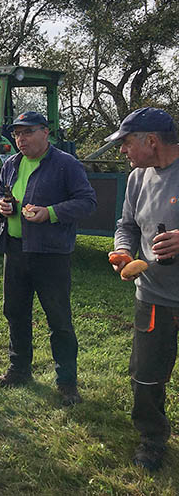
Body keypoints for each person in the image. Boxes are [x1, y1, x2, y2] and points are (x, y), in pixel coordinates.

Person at [0, 111, 96, 406]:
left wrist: (49, 213)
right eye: (17, 134)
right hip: (15, 249)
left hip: (50, 254)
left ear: (45, 132)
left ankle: (66, 383)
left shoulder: (66, 165)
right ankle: (18, 369)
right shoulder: (11, 164)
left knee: (58, 319)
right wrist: (0, 206)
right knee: (15, 311)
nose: (20, 139)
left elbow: (88, 202)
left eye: (27, 132)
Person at [107, 107, 179, 471]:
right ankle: (151, 439)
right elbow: (127, 225)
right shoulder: (137, 178)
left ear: (151, 141)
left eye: (126, 143)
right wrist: (123, 249)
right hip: (153, 294)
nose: (123, 151)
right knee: (146, 374)